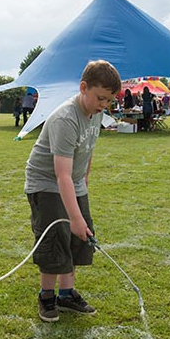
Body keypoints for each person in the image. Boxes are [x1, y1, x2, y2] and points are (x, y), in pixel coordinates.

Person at [24, 60, 121, 322]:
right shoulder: (66, 118)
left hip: (73, 183)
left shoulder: (97, 113)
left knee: (77, 240)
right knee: (55, 237)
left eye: (108, 101)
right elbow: (60, 174)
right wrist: (75, 217)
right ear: (83, 87)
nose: (103, 105)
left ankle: (66, 295)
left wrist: (84, 182)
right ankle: (47, 296)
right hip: (46, 183)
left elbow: (87, 149)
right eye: (100, 98)